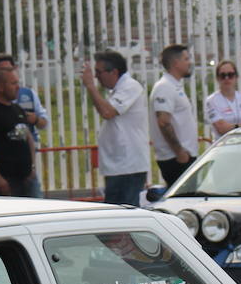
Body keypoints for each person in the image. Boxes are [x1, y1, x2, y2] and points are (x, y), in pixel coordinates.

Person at [80, 50, 149, 205]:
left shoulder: (130, 86)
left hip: (128, 166)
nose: (97, 77)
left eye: (99, 72)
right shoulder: (117, 91)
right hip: (118, 165)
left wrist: (91, 86)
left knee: (125, 216)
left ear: (114, 72)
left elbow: (108, 111)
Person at [0, 54, 49, 197]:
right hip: (5, 168)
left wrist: (34, 120)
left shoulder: (28, 94)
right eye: (2, 71)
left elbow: (43, 123)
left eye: (9, 69)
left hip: (27, 165)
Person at [0, 66, 38, 197]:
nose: (18, 87)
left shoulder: (17, 109)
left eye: (18, 83)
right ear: (0, 87)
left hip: (25, 177)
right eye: (13, 83)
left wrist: (32, 167)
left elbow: (29, 139)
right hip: (6, 179)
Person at [149, 44, 198, 186]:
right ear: (176, 63)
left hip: (183, 157)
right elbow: (163, 122)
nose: (190, 63)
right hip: (176, 159)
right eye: (186, 59)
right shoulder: (165, 87)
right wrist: (180, 152)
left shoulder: (174, 86)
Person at [204, 59, 241, 140]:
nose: (227, 78)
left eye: (230, 75)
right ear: (217, 78)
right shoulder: (211, 100)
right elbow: (222, 129)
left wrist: (231, 126)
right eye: (223, 75)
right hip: (223, 146)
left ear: (236, 77)